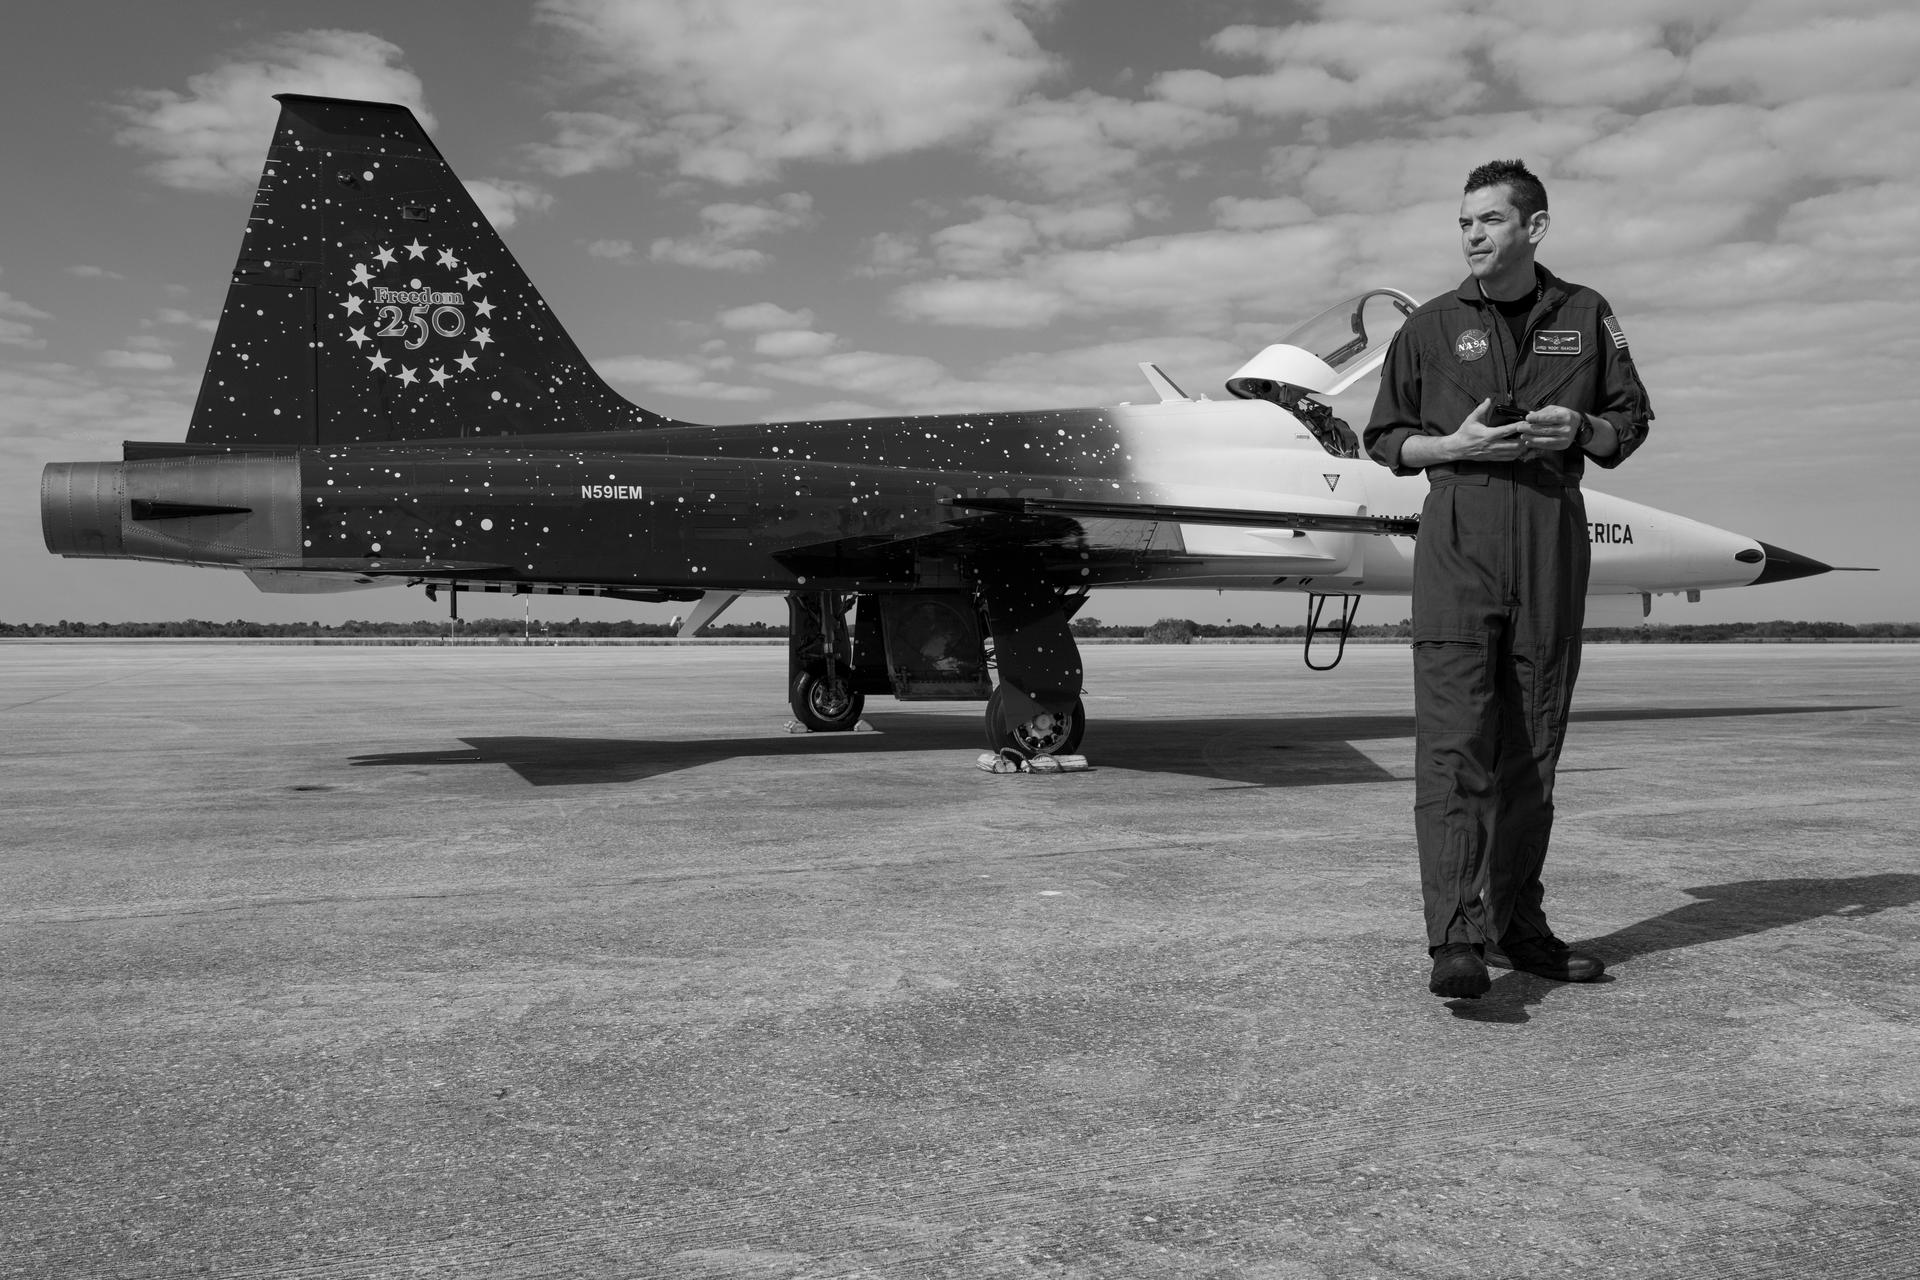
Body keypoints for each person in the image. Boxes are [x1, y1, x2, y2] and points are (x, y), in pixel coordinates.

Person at [1363, 159, 1653, 999]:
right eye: (1464, 224)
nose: (1474, 236)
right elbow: (1384, 439)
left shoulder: (1587, 314)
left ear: (1535, 227)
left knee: (1533, 748)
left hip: (1551, 534)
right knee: (1455, 749)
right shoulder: (1428, 326)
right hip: (1459, 537)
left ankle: (1517, 925)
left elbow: (1631, 421)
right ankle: (1454, 938)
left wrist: (1584, 424)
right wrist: (1450, 446)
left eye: (1489, 220)